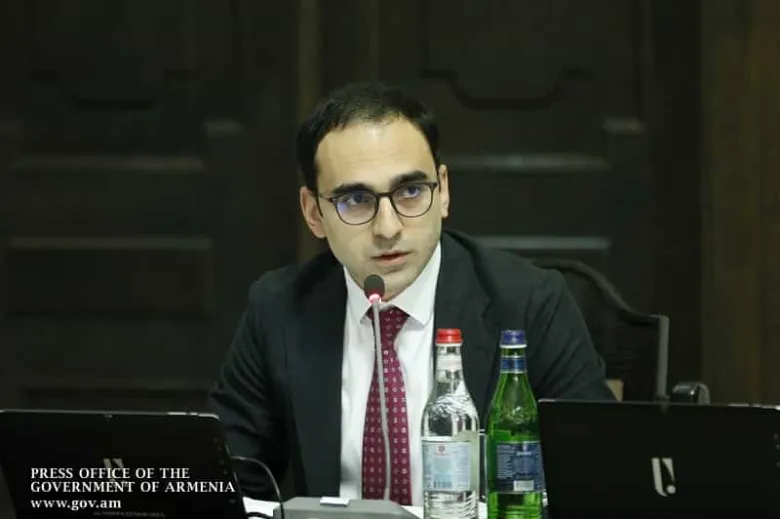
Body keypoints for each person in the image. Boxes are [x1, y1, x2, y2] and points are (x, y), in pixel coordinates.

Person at [207, 82, 615, 506]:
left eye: (411, 192)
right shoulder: (278, 309)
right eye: (356, 200)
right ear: (314, 213)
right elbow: (224, 481)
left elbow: (597, 478)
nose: (388, 228)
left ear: (443, 191)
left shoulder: (530, 305)